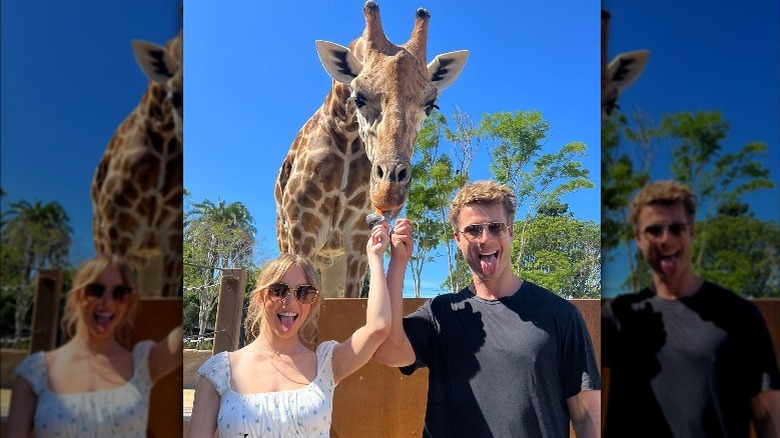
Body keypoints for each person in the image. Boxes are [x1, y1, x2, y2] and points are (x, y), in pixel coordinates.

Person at [374, 180, 601, 437]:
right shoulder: (440, 313)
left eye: (496, 228)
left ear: (511, 232)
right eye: (473, 230)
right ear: (458, 240)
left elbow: (587, 414)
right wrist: (397, 263)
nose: (485, 239)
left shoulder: (559, 314)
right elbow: (388, 350)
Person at [602, 180, 780, 437]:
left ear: (691, 232)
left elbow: (769, 416)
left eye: (676, 228)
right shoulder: (618, 317)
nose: (666, 239)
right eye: (654, 230)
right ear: (638, 238)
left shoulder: (739, 316)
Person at [188, 221, 396, 437]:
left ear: (312, 303)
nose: (291, 301)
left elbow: (379, 328)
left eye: (304, 292)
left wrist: (375, 256)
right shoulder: (219, 371)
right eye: (279, 290)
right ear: (260, 296)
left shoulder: (326, 365)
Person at [5, 254, 183, 437]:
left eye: (120, 293)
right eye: (96, 290)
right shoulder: (34, 371)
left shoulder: (143, 363)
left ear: (129, 302)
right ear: (77, 295)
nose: (107, 302)